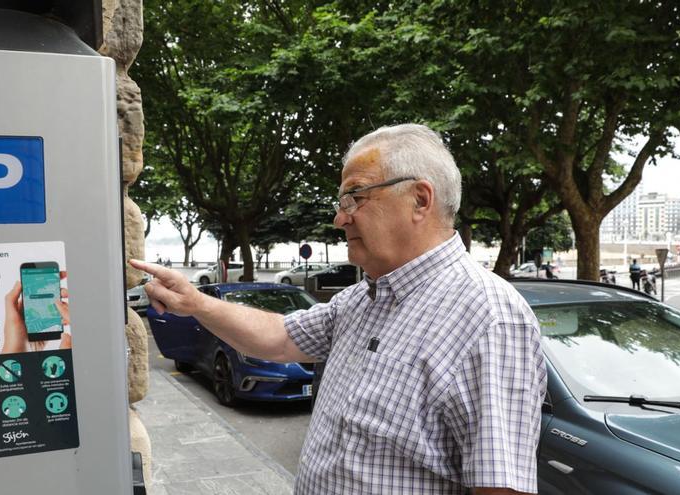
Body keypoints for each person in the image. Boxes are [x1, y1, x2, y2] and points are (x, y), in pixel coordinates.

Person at [131, 124, 546, 495]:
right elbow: (277, 338)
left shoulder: (490, 318)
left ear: (420, 199)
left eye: (354, 197)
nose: (338, 218)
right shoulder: (361, 299)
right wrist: (196, 302)